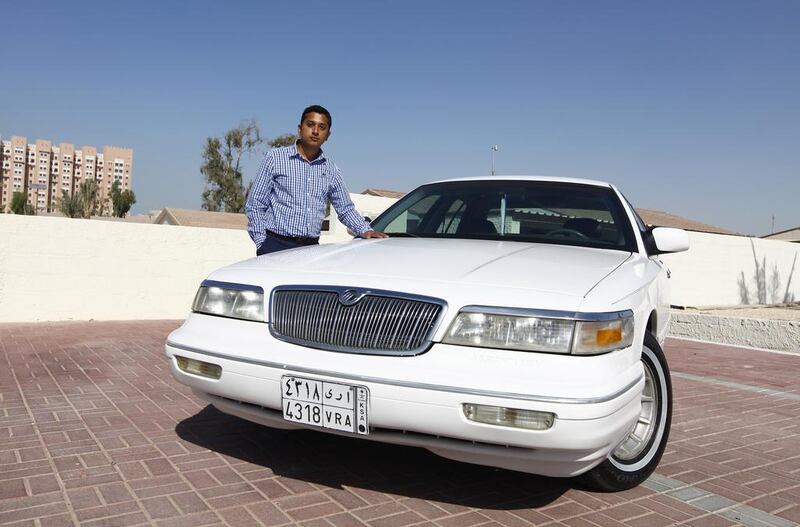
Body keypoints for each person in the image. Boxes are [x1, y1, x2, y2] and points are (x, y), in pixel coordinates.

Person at [246, 105, 387, 255]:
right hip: (275, 246)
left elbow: (345, 209)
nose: (315, 131)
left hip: (310, 249)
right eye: (310, 125)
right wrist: (262, 243)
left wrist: (366, 230)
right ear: (300, 128)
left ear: (328, 135)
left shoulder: (331, 169)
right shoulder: (275, 158)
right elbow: (255, 204)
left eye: (322, 127)